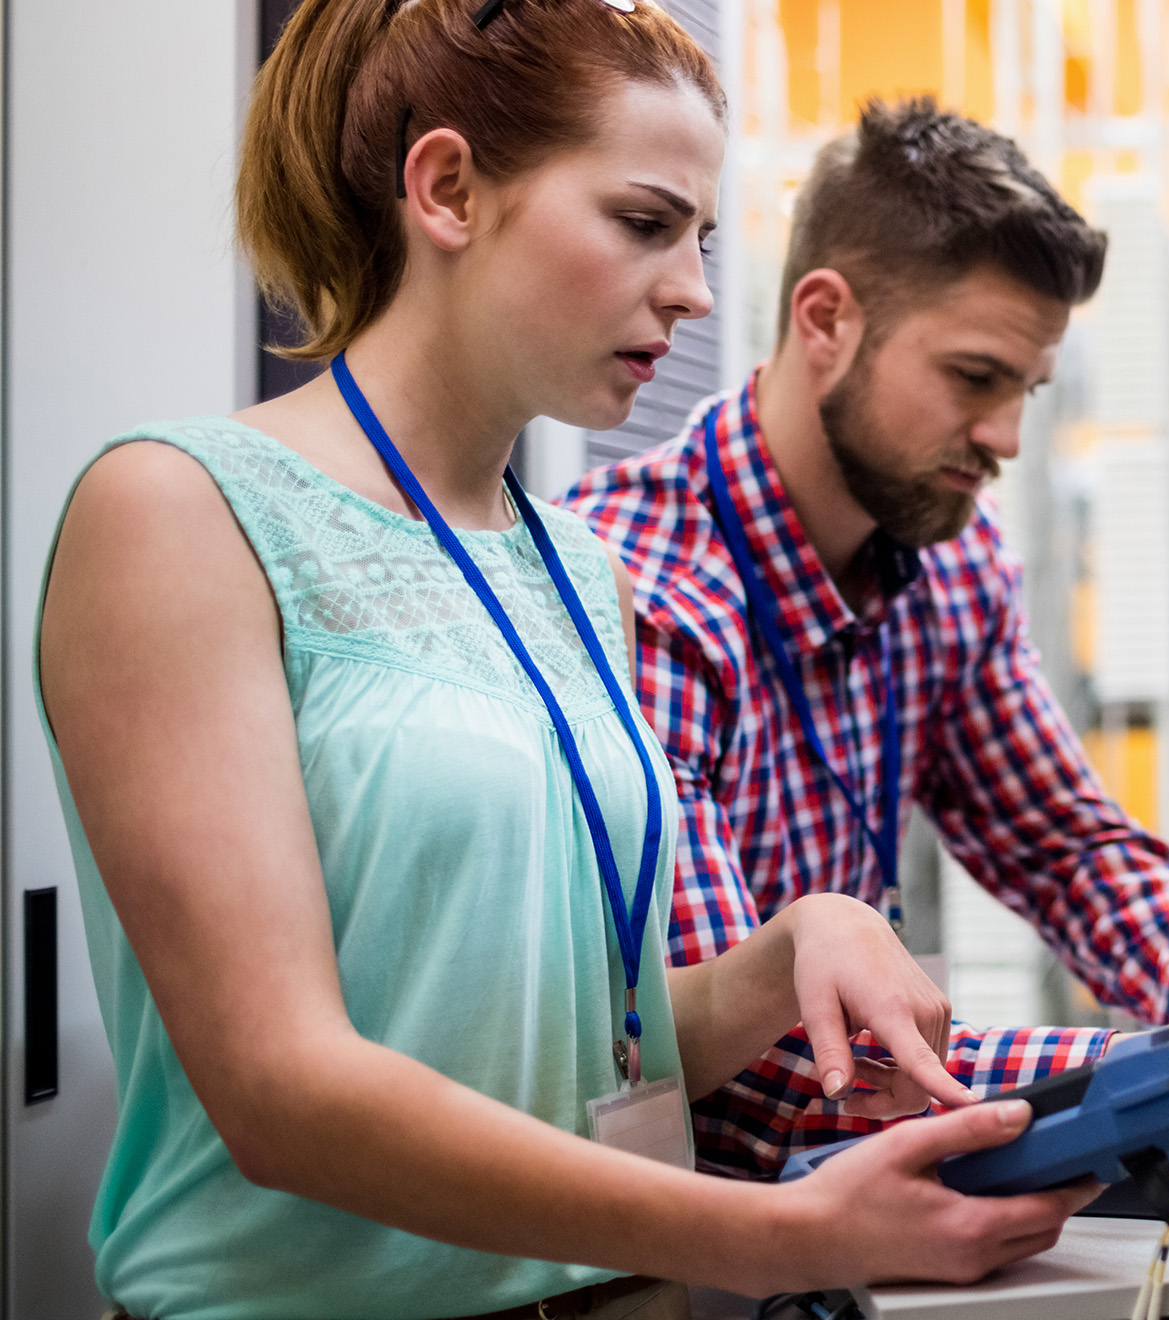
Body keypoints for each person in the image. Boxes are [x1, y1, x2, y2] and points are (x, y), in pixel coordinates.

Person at [38, 3, 1097, 1314]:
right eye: (645, 224)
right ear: (447, 192)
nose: (698, 292)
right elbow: (283, 1094)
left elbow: (596, 1047)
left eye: (702, 241)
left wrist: (791, 951)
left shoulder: (578, 570)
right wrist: (786, 1236)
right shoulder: (180, 513)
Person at [566, 98, 1169, 1178]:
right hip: (703, 1237)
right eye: (974, 379)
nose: (1006, 440)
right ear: (826, 319)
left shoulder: (946, 559)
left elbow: (1063, 849)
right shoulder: (639, 595)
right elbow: (745, 1067)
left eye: (1026, 391)